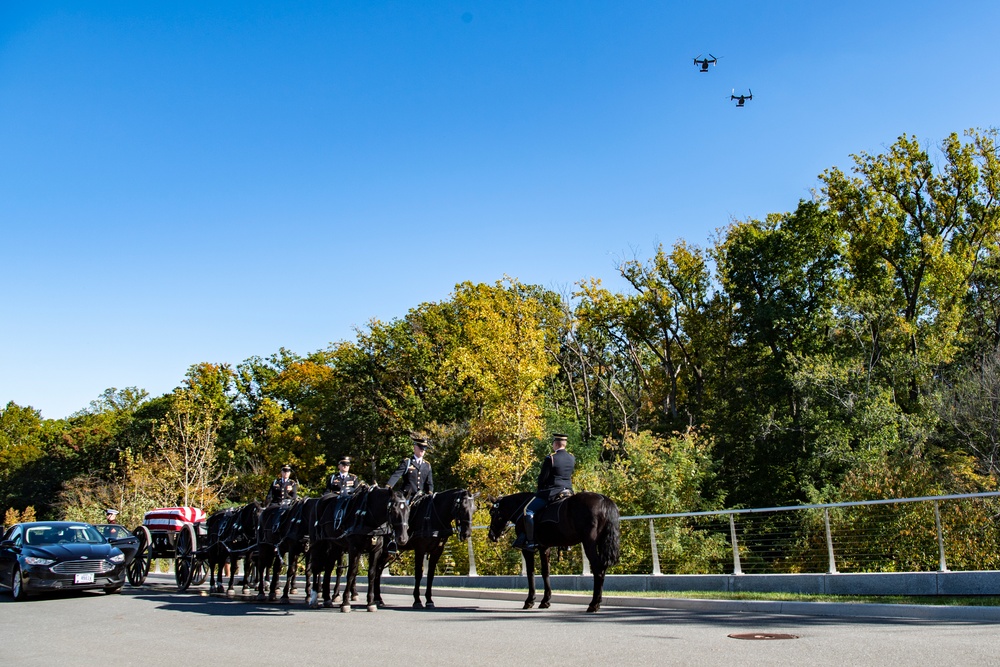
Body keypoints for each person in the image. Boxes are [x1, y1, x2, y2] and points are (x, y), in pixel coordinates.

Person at [516, 433, 575, 552]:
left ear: (556, 444)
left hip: (552, 492)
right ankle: (567, 543)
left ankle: (531, 541)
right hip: (568, 491)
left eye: (553, 443)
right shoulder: (572, 458)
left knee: (528, 510)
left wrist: (539, 491)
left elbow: (543, 478)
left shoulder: (551, 458)